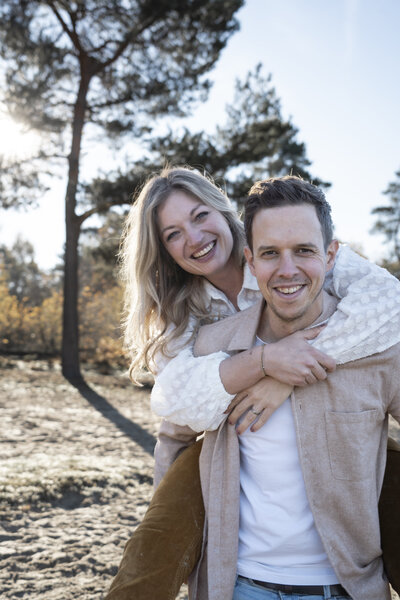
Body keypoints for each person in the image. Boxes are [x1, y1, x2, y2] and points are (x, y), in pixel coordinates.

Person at [106, 168, 400, 599]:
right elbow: (175, 406)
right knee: (157, 541)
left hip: (340, 417)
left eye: (200, 215)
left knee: (384, 468)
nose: (193, 237)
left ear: (225, 215)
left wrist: (288, 375)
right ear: (252, 258)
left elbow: (389, 301)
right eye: (173, 233)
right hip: (217, 436)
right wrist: (265, 361)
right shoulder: (184, 321)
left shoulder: (298, 252)